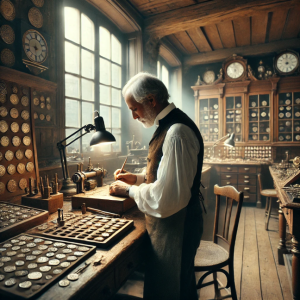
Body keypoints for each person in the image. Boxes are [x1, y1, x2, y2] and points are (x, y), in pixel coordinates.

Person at [109, 72, 204, 300]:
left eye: (134, 109)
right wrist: (139, 179)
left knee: (173, 290)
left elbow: (168, 197)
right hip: (171, 225)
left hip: (177, 228)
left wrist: (129, 191)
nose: (133, 116)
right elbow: (166, 174)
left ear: (151, 100)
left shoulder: (177, 132)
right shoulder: (167, 126)